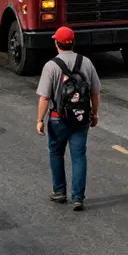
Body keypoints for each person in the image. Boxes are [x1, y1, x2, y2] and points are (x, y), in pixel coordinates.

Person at [36, 26, 101, 211]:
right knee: (79, 156)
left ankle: (59, 191)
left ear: (57, 43)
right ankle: (78, 198)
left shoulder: (51, 66)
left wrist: (40, 120)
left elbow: (44, 98)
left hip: (58, 119)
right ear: (73, 42)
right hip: (81, 118)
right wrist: (94, 114)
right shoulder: (86, 62)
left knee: (56, 153)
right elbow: (95, 92)